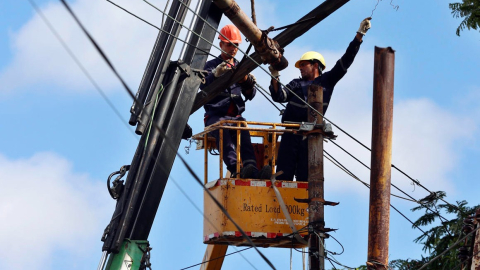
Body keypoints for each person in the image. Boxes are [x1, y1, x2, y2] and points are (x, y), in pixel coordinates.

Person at [268, 18, 372, 181]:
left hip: (310, 137)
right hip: (290, 134)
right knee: (283, 176)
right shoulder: (296, 83)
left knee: (306, 179)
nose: (300, 68)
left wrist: (359, 36)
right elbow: (279, 96)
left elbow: (345, 62)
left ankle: (305, 206)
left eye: (303, 64)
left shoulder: (327, 82)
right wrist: (275, 76)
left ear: (315, 65)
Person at [201, 24, 271, 179]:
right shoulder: (210, 66)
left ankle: (251, 168)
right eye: (229, 44)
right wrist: (215, 74)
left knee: (244, 134)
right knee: (223, 132)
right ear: (221, 44)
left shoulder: (242, 66)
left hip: (236, 116)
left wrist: (247, 82)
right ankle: (235, 169)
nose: (233, 48)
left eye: (236, 45)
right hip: (216, 116)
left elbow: (250, 94)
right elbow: (203, 85)